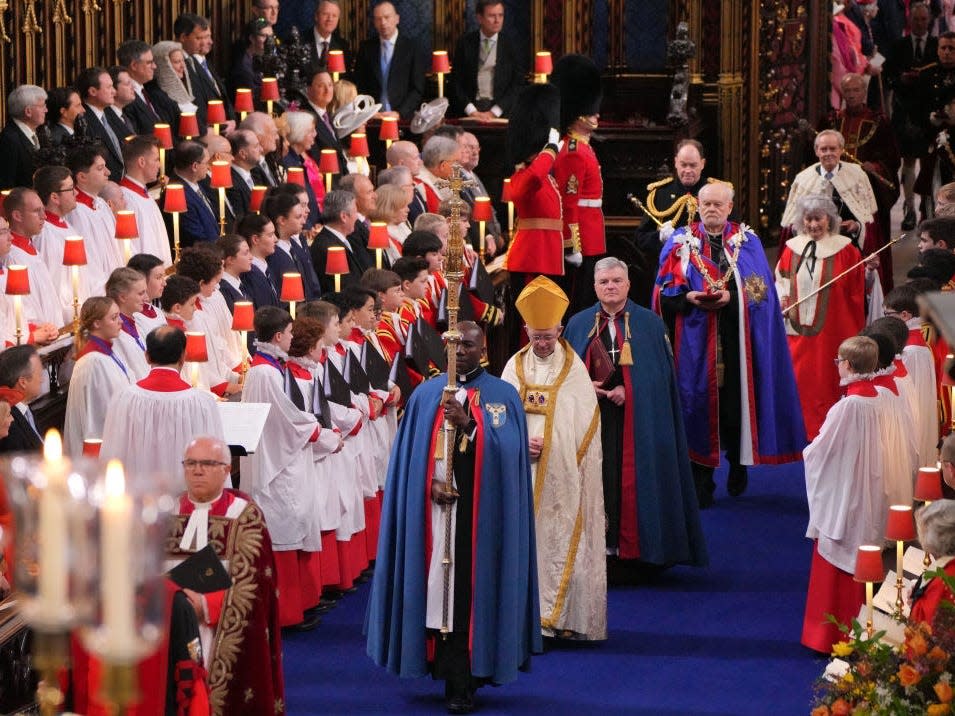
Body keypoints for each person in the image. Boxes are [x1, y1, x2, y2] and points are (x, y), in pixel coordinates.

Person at [366, 321, 541, 713]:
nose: (460, 350)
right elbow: (407, 462)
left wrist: (470, 425)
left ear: (484, 350)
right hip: (434, 516)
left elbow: (510, 454)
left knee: (468, 594)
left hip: (479, 517)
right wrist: (428, 484)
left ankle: (467, 677)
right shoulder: (426, 394)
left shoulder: (502, 394)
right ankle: (439, 667)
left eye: (468, 345)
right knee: (434, 594)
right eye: (454, 344)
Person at [656, 183, 806, 505]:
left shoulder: (746, 242)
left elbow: (762, 292)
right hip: (695, 343)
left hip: (739, 342)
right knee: (697, 407)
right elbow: (661, 290)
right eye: (706, 203)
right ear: (697, 205)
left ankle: (739, 465)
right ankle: (701, 482)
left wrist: (732, 296)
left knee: (737, 406)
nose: (712, 209)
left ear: (729, 207)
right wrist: (686, 297)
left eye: (718, 204)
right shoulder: (680, 242)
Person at [565, 258, 707, 567]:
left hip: (638, 421)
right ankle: (596, 553)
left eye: (617, 280)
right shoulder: (577, 323)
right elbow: (565, 374)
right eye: (604, 282)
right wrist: (584, 386)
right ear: (595, 287)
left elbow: (661, 378)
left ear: (628, 284)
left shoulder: (650, 323)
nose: (611, 286)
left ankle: (639, 553)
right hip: (591, 422)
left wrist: (631, 391)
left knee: (635, 481)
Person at [501, 277, 606, 641]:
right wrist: (516, 441)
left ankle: (560, 618)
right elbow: (499, 417)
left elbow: (586, 423)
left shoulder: (573, 368)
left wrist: (553, 445)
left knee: (560, 541)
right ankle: (522, 616)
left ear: (560, 329)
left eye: (548, 336)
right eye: (535, 337)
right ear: (526, 329)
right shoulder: (513, 368)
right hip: (520, 471)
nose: (542, 344)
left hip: (562, 473)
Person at [166, 435, 285, 714]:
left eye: (207, 463)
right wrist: (176, 605)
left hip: (220, 632)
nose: (197, 470)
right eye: (191, 463)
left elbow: (257, 588)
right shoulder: (166, 513)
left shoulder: (244, 517)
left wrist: (205, 606)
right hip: (172, 629)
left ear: (226, 469)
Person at [801, 335, 887, 654]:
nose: (837, 367)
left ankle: (828, 637)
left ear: (848, 365)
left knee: (838, 554)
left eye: (838, 362)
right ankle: (862, 630)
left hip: (846, 495)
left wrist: (810, 453)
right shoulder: (879, 397)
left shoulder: (847, 406)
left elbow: (820, 452)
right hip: (870, 488)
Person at [240, 305, 323, 630]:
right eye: (289, 333)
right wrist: (315, 429)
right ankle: (286, 615)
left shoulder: (272, 368)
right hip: (275, 464)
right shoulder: (264, 372)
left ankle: (301, 604)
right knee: (282, 533)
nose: (293, 338)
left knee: (294, 528)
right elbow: (283, 418)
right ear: (277, 336)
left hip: (283, 457)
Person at [775, 194, 865, 440]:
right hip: (797, 334)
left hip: (834, 333)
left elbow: (858, 290)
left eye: (819, 219)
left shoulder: (846, 250)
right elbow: (781, 279)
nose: (813, 224)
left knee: (828, 382)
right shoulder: (792, 248)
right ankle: (797, 431)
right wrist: (781, 297)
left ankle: (830, 432)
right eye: (808, 219)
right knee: (798, 381)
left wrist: (870, 276)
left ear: (830, 219)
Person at [101, 325, 225, 484]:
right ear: (183, 357)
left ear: (146, 356)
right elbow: (214, 458)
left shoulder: (124, 399)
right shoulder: (202, 403)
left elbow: (112, 455)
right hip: (186, 501)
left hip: (139, 500)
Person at [819, 72, 899, 289]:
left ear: (864, 92)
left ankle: (875, 286)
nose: (852, 95)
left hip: (867, 192)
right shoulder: (832, 120)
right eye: (848, 91)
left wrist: (876, 167)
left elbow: (892, 159)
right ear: (842, 93)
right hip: (835, 193)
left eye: (856, 90)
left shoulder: (879, 122)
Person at [552, 54, 606, 314]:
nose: (596, 113)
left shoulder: (582, 147)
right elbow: (568, 204)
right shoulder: (572, 150)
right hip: (582, 239)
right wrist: (571, 246)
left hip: (591, 235)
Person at [884, 2, 937, 230]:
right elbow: (887, 78)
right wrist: (900, 80)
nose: (920, 24)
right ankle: (909, 208)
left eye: (924, 20)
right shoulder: (898, 46)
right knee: (907, 161)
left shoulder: (937, 46)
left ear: (929, 21)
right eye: (916, 20)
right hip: (905, 112)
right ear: (910, 21)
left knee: (930, 162)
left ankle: (929, 209)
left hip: (929, 113)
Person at [64, 296, 133, 456]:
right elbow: (98, 416)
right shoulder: (93, 362)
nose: (120, 322)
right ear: (97, 323)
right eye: (114, 318)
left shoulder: (108, 351)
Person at [449, 0, 523, 119]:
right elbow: (456, 82)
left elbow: (517, 84)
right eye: (492, 16)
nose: (497, 20)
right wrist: (471, 111)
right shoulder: (465, 43)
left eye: (500, 15)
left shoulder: (511, 45)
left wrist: (495, 111)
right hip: (469, 109)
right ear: (479, 18)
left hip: (502, 111)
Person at [66, 145, 125, 293]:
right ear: (82, 177)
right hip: (101, 292)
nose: (108, 172)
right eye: (100, 169)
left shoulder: (101, 204)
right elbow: (89, 262)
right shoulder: (76, 212)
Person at [353, 1, 424, 120]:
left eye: (387, 17)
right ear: (374, 23)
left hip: (403, 119)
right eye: (378, 19)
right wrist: (369, 112)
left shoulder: (412, 48)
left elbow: (417, 89)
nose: (383, 23)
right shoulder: (366, 48)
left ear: (397, 19)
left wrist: (399, 113)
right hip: (374, 118)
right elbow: (360, 85)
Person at [120, 135, 174, 266]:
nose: (159, 165)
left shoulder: (145, 195)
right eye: (156, 160)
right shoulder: (125, 198)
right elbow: (134, 246)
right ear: (142, 162)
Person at [75, 67, 128, 181]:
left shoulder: (110, 114)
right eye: (109, 87)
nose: (114, 91)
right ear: (93, 91)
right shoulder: (83, 121)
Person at [167, 140, 220, 247]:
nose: (209, 167)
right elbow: (196, 237)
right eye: (206, 162)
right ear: (195, 166)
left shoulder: (196, 182)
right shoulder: (177, 193)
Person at [310, 189, 364, 292]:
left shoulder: (339, 240)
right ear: (343, 217)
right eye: (355, 212)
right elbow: (345, 288)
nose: (357, 217)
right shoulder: (327, 247)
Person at [105, 267, 152, 380]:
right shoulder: (113, 333)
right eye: (141, 293)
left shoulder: (138, 321)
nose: (147, 298)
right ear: (122, 297)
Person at [0, 84, 47, 190]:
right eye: (42, 106)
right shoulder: (9, 140)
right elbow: (6, 185)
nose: (46, 110)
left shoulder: (39, 133)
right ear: (28, 111)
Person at [0, 345, 45, 453]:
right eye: (39, 374)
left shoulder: (26, 410)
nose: (42, 379)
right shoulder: (8, 423)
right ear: (23, 382)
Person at [307, 0, 351, 71]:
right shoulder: (299, 42)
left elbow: (345, 79)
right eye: (325, 14)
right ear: (316, 16)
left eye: (334, 16)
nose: (330, 19)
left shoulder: (343, 46)